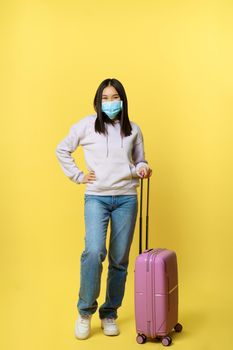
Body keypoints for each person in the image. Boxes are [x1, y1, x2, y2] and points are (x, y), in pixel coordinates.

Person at [55, 78, 152, 340]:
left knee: (119, 260)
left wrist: (142, 168)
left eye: (115, 97)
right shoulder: (86, 126)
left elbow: (140, 159)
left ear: (123, 100)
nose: (110, 102)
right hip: (97, 198)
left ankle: (109, 313)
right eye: (105, 98)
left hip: (126, 198)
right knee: (94, 251)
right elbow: (62, 149)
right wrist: (77, 176)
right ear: (98, 101)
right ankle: (85, 312)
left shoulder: (133, 129)